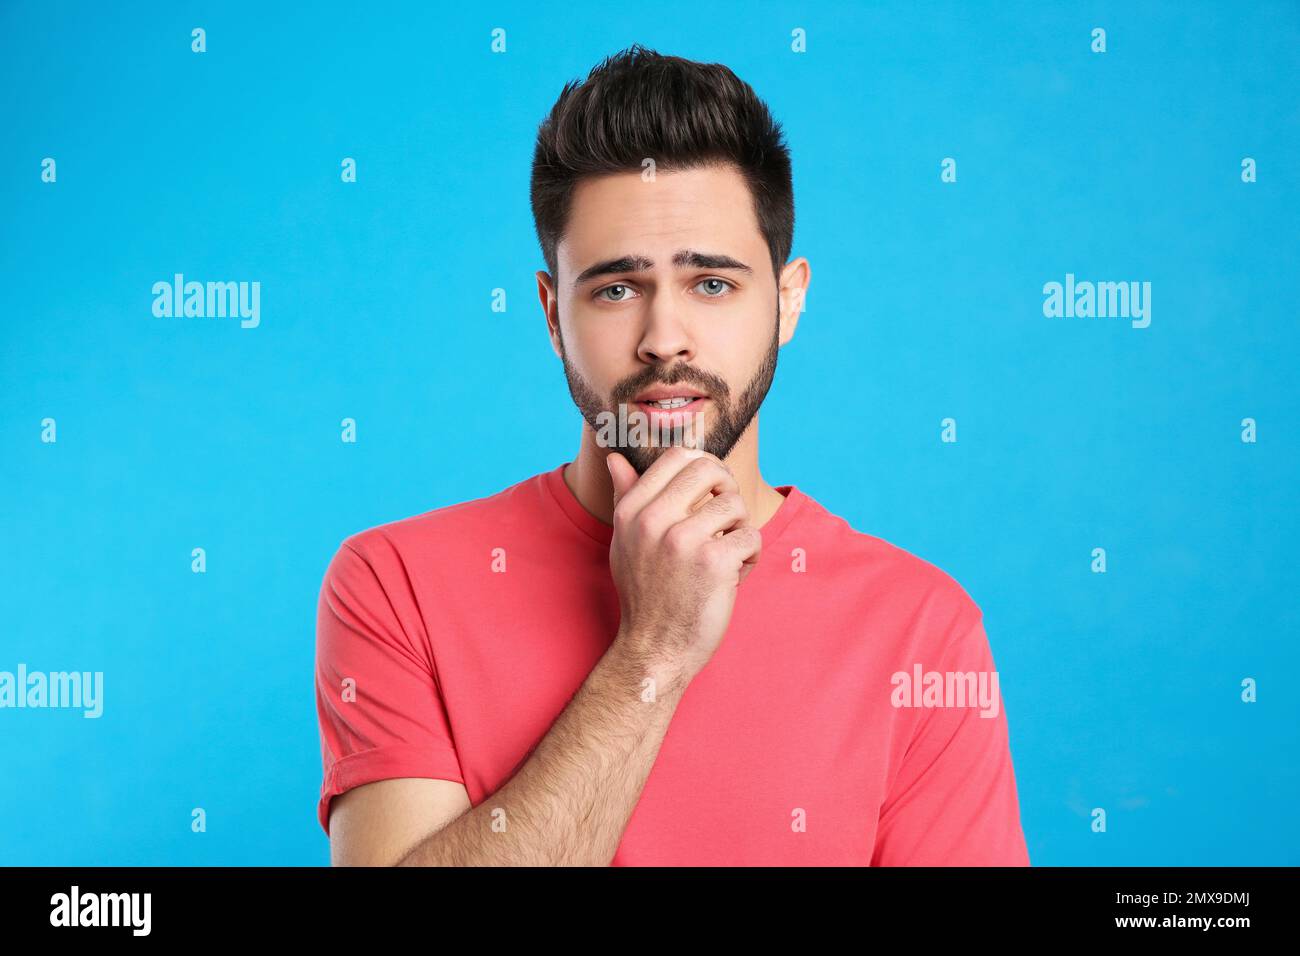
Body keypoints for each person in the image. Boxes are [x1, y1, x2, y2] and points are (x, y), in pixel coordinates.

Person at [315, 44, 1030, 866]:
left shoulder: (921, 627)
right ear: (552, 314)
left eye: (713, 284)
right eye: (616, 288)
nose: (664, 341)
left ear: (788, 300)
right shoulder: (394, 583)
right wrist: (652, 653)